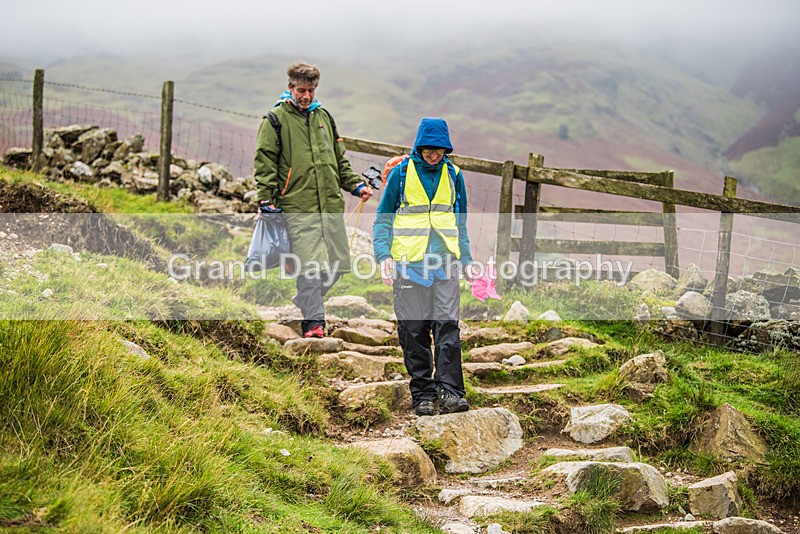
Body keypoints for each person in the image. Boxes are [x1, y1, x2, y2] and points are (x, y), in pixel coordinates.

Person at [254, 62, 372, 338]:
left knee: (339, 263)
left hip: (329, 205)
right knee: (309, 265)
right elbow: (265, 161)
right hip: (297, 205)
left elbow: (338, 160)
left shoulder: (324, 118)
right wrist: (265, 199)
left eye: (311, 90)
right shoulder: (274, 119)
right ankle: (314, 323)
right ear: (290, 88)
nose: (306, 96)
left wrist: (355, 186)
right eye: (301, 90)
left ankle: (306, 299)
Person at [373, 117, 474, 416]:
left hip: (444, 264)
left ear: (447, 148)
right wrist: (383, 256)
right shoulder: (401, 174)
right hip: (408, 265)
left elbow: (461, 223)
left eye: (440, 149)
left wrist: (466, 260)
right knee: (413, 331)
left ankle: (452, 392)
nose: (434, 155)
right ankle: (423, 394)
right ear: (419, 146)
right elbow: (383, 219)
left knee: (447, 328)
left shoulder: (454, 175)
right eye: (429, 149)